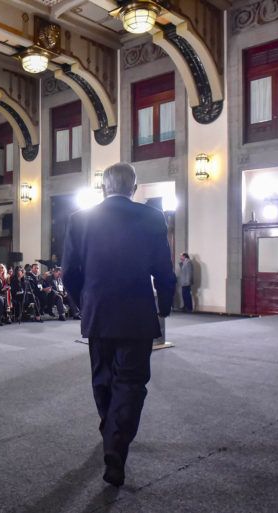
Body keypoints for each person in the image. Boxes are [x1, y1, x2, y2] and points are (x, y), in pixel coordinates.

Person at [62, 162, 176, 487]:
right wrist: (164, 306)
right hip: (137, 315)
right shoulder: (152, 217)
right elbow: (163, 270)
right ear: (134, 188)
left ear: (103, 188)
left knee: (102, 379)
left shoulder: (79, 219)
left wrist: (84, 305)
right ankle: (116, 441)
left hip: (98, 315)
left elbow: (68, 273)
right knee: (132, 383)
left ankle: (111, 433)